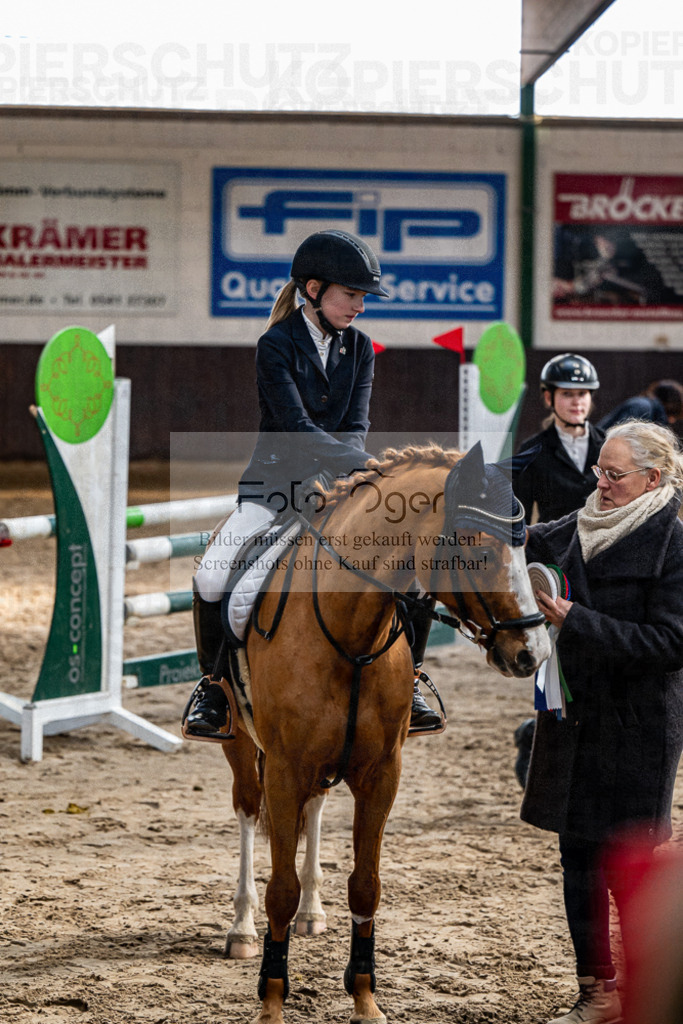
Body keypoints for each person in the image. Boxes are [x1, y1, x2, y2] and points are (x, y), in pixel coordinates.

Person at [186, 229, 442, 736]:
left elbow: (356, 424)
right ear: (312, 289)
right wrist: (363, 465)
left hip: (338, 488)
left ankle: (410, 678)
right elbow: (296, 429)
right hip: (274, 486)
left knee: (410, 570)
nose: (360, 307)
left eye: (363, 296)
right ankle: (213, 688)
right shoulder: (275, 346)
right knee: (213, 574)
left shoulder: (361, 348)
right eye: (352, 295)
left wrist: (358, 472)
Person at [521, 420, 683, 1024]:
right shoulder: (576, 524)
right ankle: (596, 992)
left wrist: (573, 618)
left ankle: (650, 995)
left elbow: (672, 642)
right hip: (573, 720)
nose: (602, 483)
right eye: (599, 471)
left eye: (615, 475)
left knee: (630, 867)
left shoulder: (674, 543)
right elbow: (526, 537)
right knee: (576, 861)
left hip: (638, 729)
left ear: (652, 479)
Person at [512, 354, 605, 786]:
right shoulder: (532, 453)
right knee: (560, 669)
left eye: (583, 394)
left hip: (606, 571)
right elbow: (517, 523)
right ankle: (538, 733)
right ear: (550, 398)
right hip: (558, 575)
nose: (577, 402)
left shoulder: (610, 448)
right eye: (568, 394)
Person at [598, 378, 683, 431]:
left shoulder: (645, 406)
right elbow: (623, 437)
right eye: (674, 415)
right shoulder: (642, 407)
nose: (672, 421)